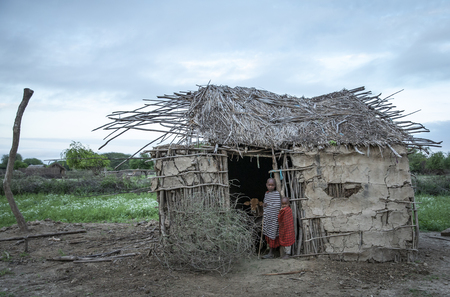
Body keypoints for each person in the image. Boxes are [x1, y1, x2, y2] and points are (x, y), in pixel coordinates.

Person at [262, 178, 281, 259]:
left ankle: (271, 253)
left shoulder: (277, 194)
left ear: (275, 186)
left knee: (273, 234)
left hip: (274, 219)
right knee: (268, 235)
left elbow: (277, 206)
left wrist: (269, 206)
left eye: (272, 185)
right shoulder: (266, 194)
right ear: (266, 185)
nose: (270, 187)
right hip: (268, 218)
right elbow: (265, 204)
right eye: (269, 185)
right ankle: (270, 251)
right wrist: (264, 205)